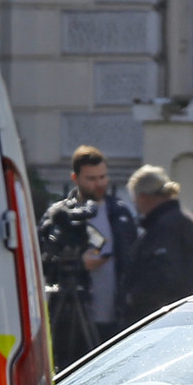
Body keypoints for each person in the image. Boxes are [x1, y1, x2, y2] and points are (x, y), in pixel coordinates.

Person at [41, 146, 138, 365]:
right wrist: (77, 263)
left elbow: (132, 258)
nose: (99, 183)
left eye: (103, 177)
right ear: (75, 178)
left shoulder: (120, 213)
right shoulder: (60, 215)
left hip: (114, 313)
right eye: (91, 178)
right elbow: (42, 257)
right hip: (70, 314)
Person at [123, 165, 193, 322]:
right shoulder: (183, 220)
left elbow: (163, 276)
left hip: (159, 315)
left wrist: (135, 297)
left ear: (143, 197)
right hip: (182, 312)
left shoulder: (164, 227)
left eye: (135, 200)